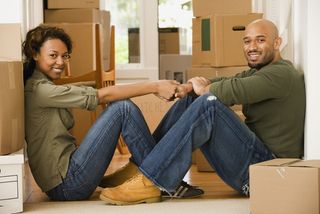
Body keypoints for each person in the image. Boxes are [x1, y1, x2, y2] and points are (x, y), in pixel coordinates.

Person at [100, 19, 306, 205]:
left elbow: (233, 90)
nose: (252, 47)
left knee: (209, 103)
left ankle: (151, 180)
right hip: (253, 164)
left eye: (260, 40)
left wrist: (204, 90)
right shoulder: (262, 71)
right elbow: (228, 81)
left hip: (267, 173)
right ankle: (140, 167)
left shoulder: (281, 74)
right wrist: (190, 87)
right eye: (247, 41)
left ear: (277, 43)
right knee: (196, 97)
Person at [23, 25, 203, 201]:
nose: (60, 62)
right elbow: (103, 95)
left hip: (69, 175)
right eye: (53, 56)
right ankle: (163, 179)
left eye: (65, 56)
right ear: (35, 54)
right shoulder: (39, 90)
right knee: (122, 109)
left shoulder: (42, 86)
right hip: (68, 185)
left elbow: (89, 89)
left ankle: (153, 172)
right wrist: (154, 86)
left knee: (181, 100)